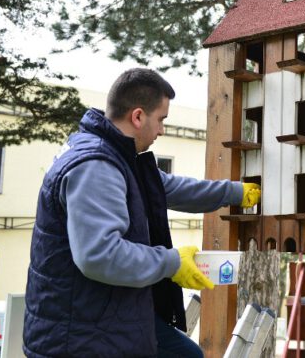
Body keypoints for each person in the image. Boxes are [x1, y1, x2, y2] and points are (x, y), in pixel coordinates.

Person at [23, 68, 260, 357]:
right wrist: (171, 262)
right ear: (137, 116)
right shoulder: (97, 166)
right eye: (161, 120)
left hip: (106, 312)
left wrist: (235, 192)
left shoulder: (118, 156)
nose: (161, 130)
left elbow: (170, 188)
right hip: (80, 335)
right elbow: (100, 255)